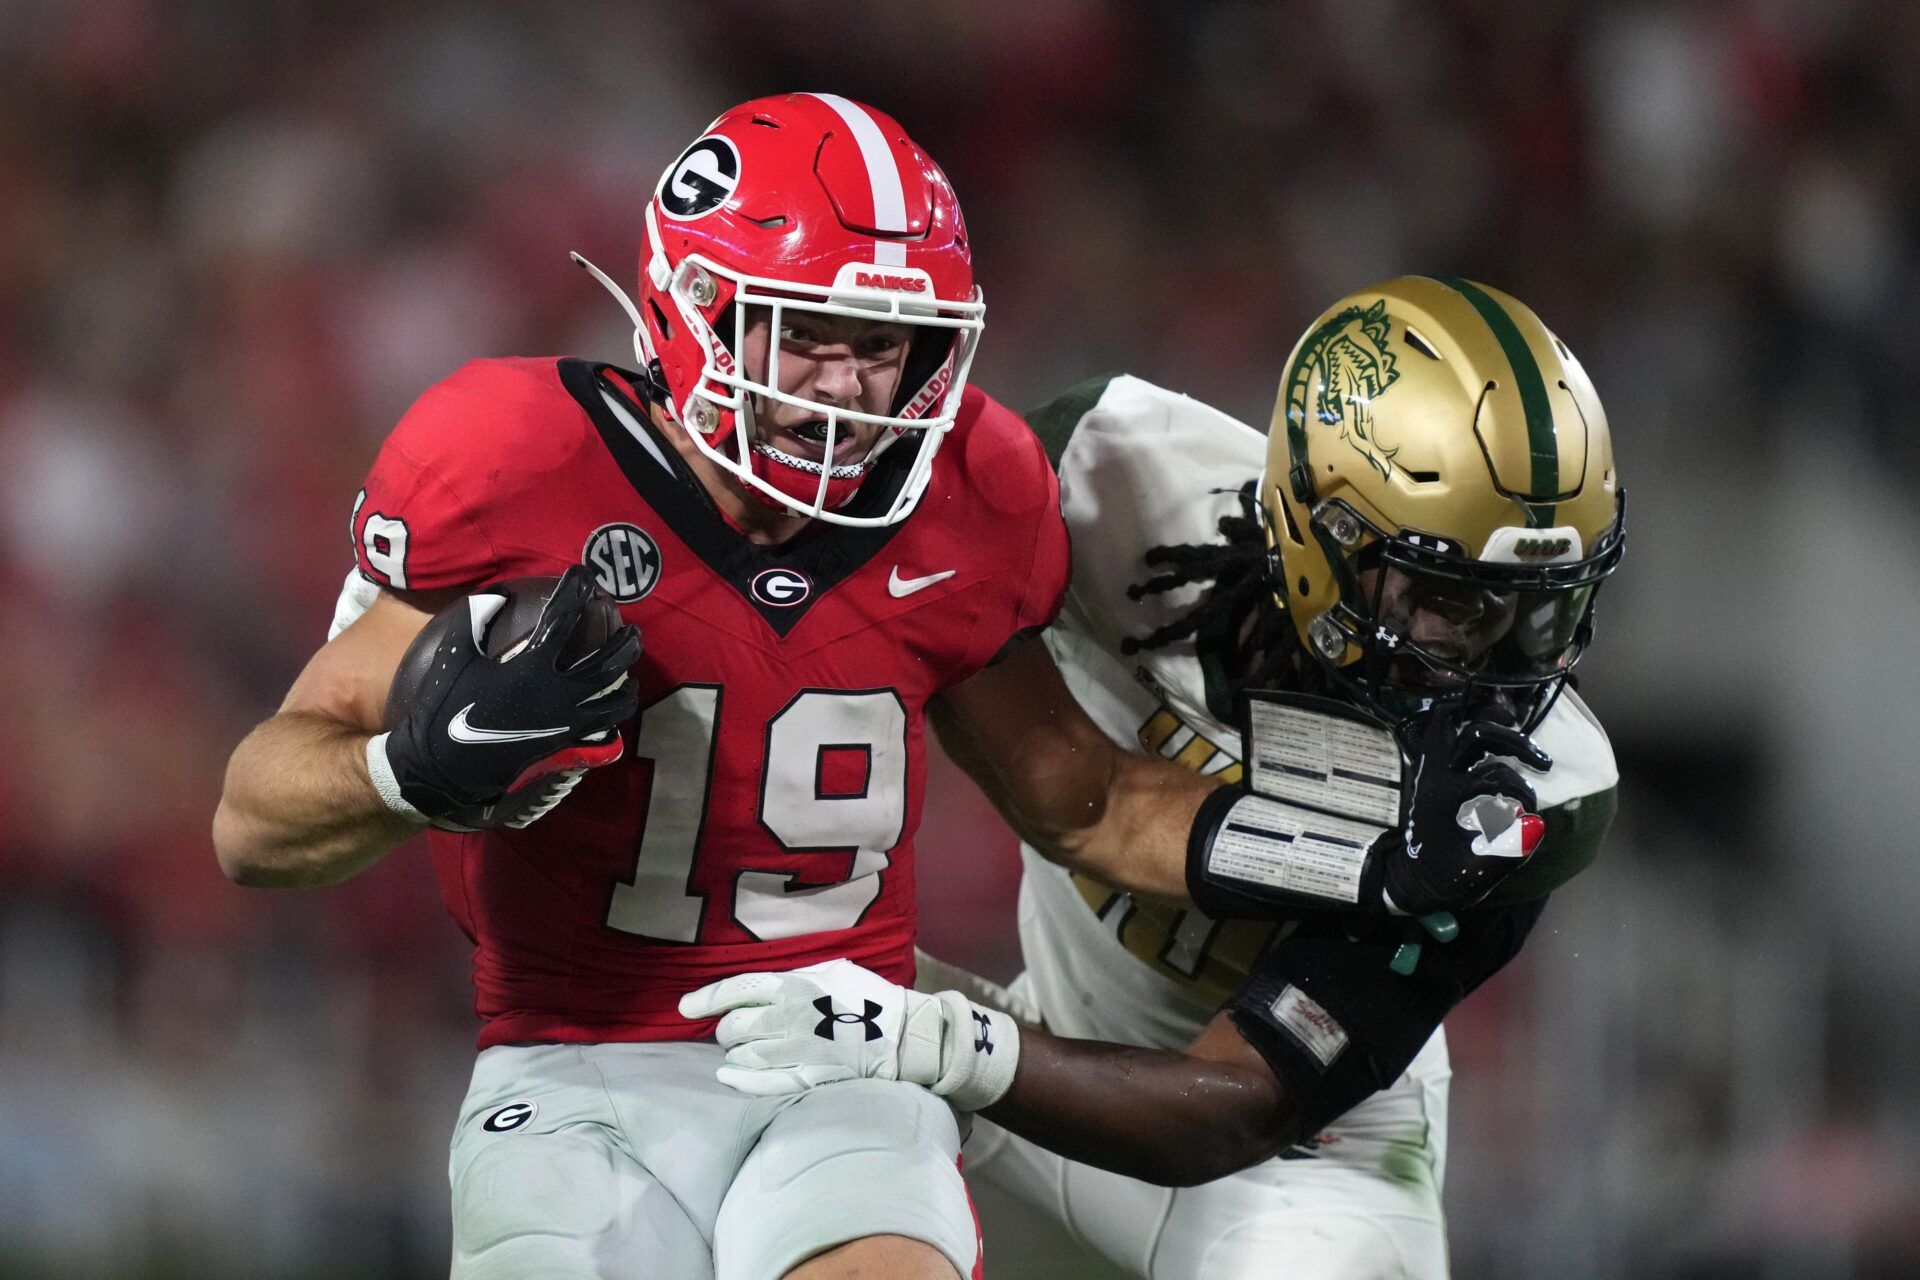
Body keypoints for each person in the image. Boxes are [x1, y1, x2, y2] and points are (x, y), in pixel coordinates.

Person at [685, 277, 1627, 1278]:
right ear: (1321, 532)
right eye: (1448, 597)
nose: (1498, 663)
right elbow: (1046, 765)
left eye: (1540, 611)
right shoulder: (1107, 469)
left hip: (1306, 1151)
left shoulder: (1535, 791)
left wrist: (937, 1039)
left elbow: (1232, 1107)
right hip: (1030, 1027)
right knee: (699, 1042)